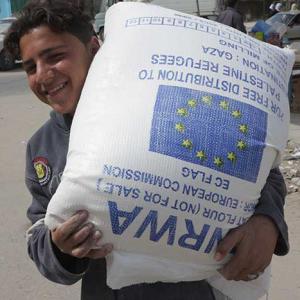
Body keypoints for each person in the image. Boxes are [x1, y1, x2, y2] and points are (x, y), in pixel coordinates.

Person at [4, 0, 289, 299]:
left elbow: (262, 171)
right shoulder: (42, 148)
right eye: (30, 67)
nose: (43, 75)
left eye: (55, 56)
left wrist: (266, 222)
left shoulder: (153, 108)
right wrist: (58, 248)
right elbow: (38, 233)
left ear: (94, 48)